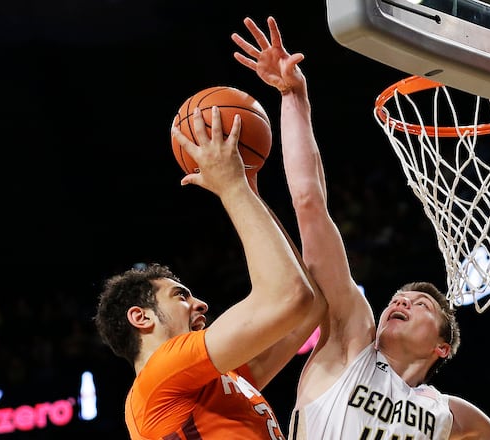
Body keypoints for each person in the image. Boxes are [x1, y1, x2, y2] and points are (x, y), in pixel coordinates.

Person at [232, 16, 490, 440]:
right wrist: (293, 95)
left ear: (441, 348)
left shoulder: (449, 414)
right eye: (401, 297)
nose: (402, 301)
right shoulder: (351, 341)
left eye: (421, 306)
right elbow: (309, 202)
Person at [94, 105, 325, 439]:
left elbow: (311, 307)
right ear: (141, 317)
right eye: (180, 296)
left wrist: (252, 196)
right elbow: (292, 297)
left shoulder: (220, 379)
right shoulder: (161, 373)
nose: (201, 304)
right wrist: (233, 188)